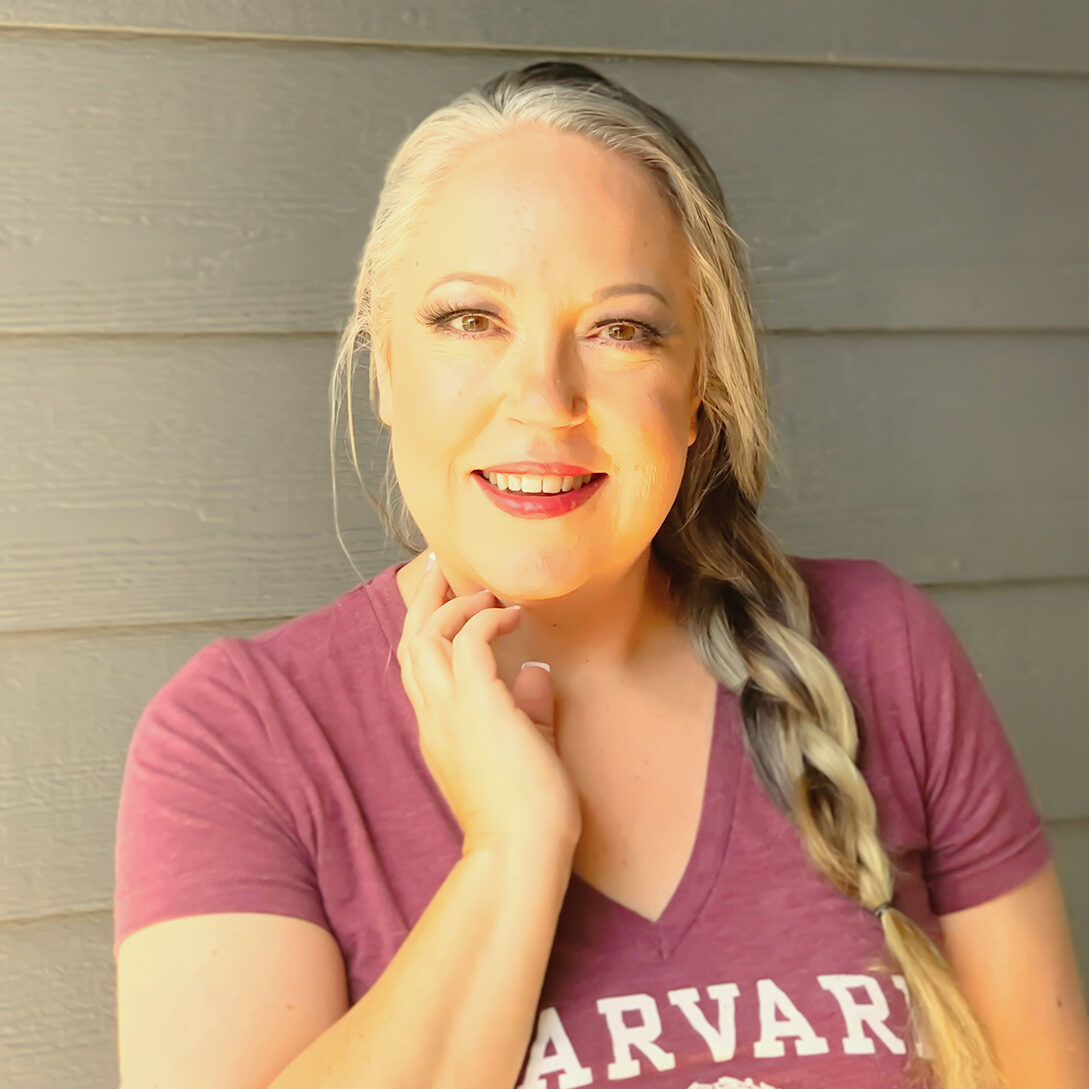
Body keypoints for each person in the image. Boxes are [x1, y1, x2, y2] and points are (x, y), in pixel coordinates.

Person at [113, 61, 1089, 1089]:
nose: (545, 398)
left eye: (620, 329)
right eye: (469, 319)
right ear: (386, 365)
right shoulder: (242, 741)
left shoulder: (880, 650)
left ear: (701, 388)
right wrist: (512, 849)